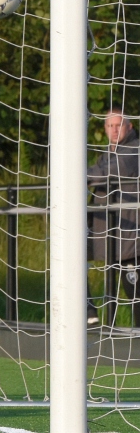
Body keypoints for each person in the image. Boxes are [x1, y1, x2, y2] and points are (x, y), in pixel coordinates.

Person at [87, 105, 140, 328]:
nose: (114, 130)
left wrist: (70, 171)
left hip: (128, 234)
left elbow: (105, 173)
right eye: (110, 125)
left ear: (130, 126)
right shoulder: (108, 153)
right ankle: (89, 313)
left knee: (135, 293)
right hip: (108, 230)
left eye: (119, 125)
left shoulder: (134, 151)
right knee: (71, 257)